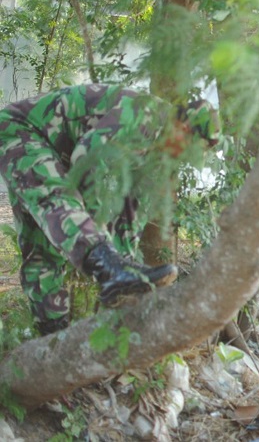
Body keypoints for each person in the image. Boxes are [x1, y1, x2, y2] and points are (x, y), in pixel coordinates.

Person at [0, 84, 221, 336]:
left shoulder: (158, 157)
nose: (182, 158)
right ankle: (103, 268)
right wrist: (101, 251)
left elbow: (131, 218)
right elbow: (87, 163)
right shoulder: (143, 115)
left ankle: (53, 341)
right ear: (183, 128)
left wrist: (127, 275)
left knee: (44, 247)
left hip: (56, 152)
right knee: (57, 201)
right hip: (20, 131)